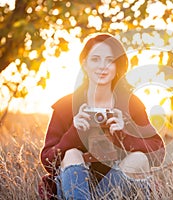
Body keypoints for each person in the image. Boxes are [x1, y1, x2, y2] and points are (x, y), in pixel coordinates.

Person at [38, 33, 165, 199]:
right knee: (71, 154)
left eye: (110, 60)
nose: (102, 66)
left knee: (139, 158)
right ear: (84, 63)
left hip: (118, 184)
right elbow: (47, 159)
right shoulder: (66, 106)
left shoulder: (131, 104)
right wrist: (75, 133)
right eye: (95, 59)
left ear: (118, 66)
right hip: (74, 186)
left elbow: (158, 151)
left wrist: (124, 136)